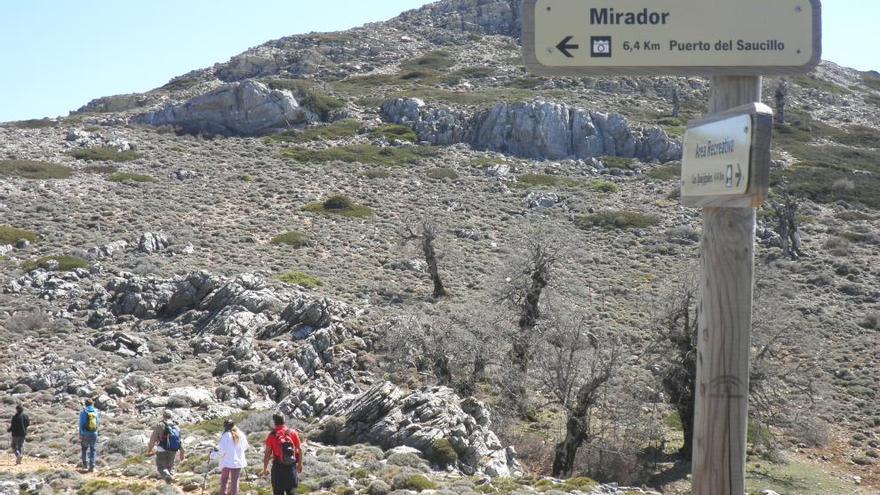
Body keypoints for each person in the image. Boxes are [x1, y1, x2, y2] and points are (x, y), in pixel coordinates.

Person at [262, 413, 303, 495]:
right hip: (291, 467)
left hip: (278, 468)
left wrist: (265, 468)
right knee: (291, 492)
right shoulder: (293, 433)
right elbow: (300, 449)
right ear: (284, 420)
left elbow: (267, 453)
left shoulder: (272, 435)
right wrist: (300, 464)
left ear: (274, 422)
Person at [209, 419, 249, 495]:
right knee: (235, 481)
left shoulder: (225, 435)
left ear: (225, 426)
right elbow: (246, 446)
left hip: (226, 462)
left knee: (224, 480)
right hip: (238, 462)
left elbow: (221, 452)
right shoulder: (241, 434)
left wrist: (212, 455)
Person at [146, 410, 186, 481]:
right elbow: (179, 440)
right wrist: (182, 452)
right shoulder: (176, 426)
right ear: (171, 416)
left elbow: (153, 439)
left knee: (161, 467)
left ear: (163, 416)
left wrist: (150, 449)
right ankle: (171, 481)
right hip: (173, 450)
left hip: (162, 449)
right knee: (170, 467)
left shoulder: (160, 425)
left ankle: (168, 476)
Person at [78, 399, 99, 472]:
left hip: (85, 433)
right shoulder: (96, 411)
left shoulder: (83, 412)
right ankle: (92, 467)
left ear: (86, 404)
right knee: (93, 449)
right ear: (92, 404)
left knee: (84, 449)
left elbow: (81, 424)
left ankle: (85, 466)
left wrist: (80, 434)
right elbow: (98, 422)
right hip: (94, 433)